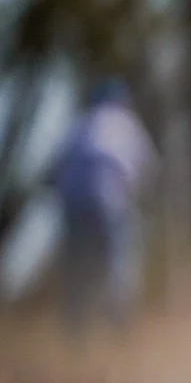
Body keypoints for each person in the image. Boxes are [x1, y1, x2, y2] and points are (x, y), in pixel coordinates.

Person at [53, 78, 156, 340]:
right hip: (111, 202)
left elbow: (57, 166)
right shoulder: (127, 124)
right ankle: (120, 328)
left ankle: (77, 331)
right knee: (118, 266)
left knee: (78, 269)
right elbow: (147, 168)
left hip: (74, 206)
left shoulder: (81, 123)